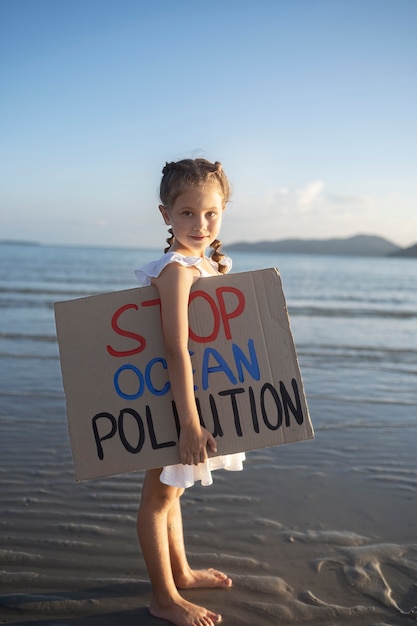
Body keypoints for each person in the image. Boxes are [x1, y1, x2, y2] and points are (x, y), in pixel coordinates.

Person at [135, 158, 245, 626]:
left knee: (173, 490)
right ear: (166, 215)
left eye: (211, 214)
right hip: (173, 402)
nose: (200, 224)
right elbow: (175, 349)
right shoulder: (177, 270)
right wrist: (190, 422)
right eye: (187, 214)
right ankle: (163, 598)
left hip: (189, 398)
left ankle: (179, 571)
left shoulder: (206, 262)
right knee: (158, 497)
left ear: (223, 211)